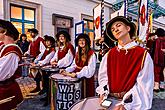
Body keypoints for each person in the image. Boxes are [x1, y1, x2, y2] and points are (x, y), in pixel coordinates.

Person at [96, 16, 154, 109]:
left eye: (118, 25)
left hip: (131, 104)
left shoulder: (142, 54)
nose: (115, 29)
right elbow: (103, 77)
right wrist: (103, 92)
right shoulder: (109, 54)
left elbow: (144, 85)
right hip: (111, 100)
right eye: (113, 29)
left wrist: (127, 104)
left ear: (128, 28)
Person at [61, 33, 97, 98]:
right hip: (77, 77)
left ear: (86, 41)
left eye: (83, 40)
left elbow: (90, 70)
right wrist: (66, 70)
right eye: (79, 40)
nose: (81, 42)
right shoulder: (78, 53)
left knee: (85, 96)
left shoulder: (91, 54)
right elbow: (74, 65)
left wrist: (78, 74)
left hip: (86, 79)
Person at [0, 19, 23, 109]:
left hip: (5, 90)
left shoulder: (12, 51)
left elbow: (1, 74)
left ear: (5, 31)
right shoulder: (4, 47)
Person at [31, 35, 56, 106]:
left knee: (48, 85)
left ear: (51, 42)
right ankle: (46, 97)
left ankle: (49, 99)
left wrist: (38, 64)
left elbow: (46, 60)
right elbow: (40, 56)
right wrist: (35, 61)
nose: (46, 42)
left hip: (49, 70)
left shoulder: (52, 50)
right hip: (43, 69)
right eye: (46, 41)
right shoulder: (46, 49)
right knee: (44, 84)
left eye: (48, 41)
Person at [24, 28, 46, 93]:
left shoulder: (40, 40)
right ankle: (38, 87)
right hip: (34, 59)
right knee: (36, 75)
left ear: (36, 33)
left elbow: (43, 51)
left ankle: (44, 89)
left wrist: (37, 59)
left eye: (32, 32)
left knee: (41, 75)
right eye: (30, 33)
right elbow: (29, 50)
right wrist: (26, 53)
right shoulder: (32, 41)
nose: (31, 34)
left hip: (40, 60)